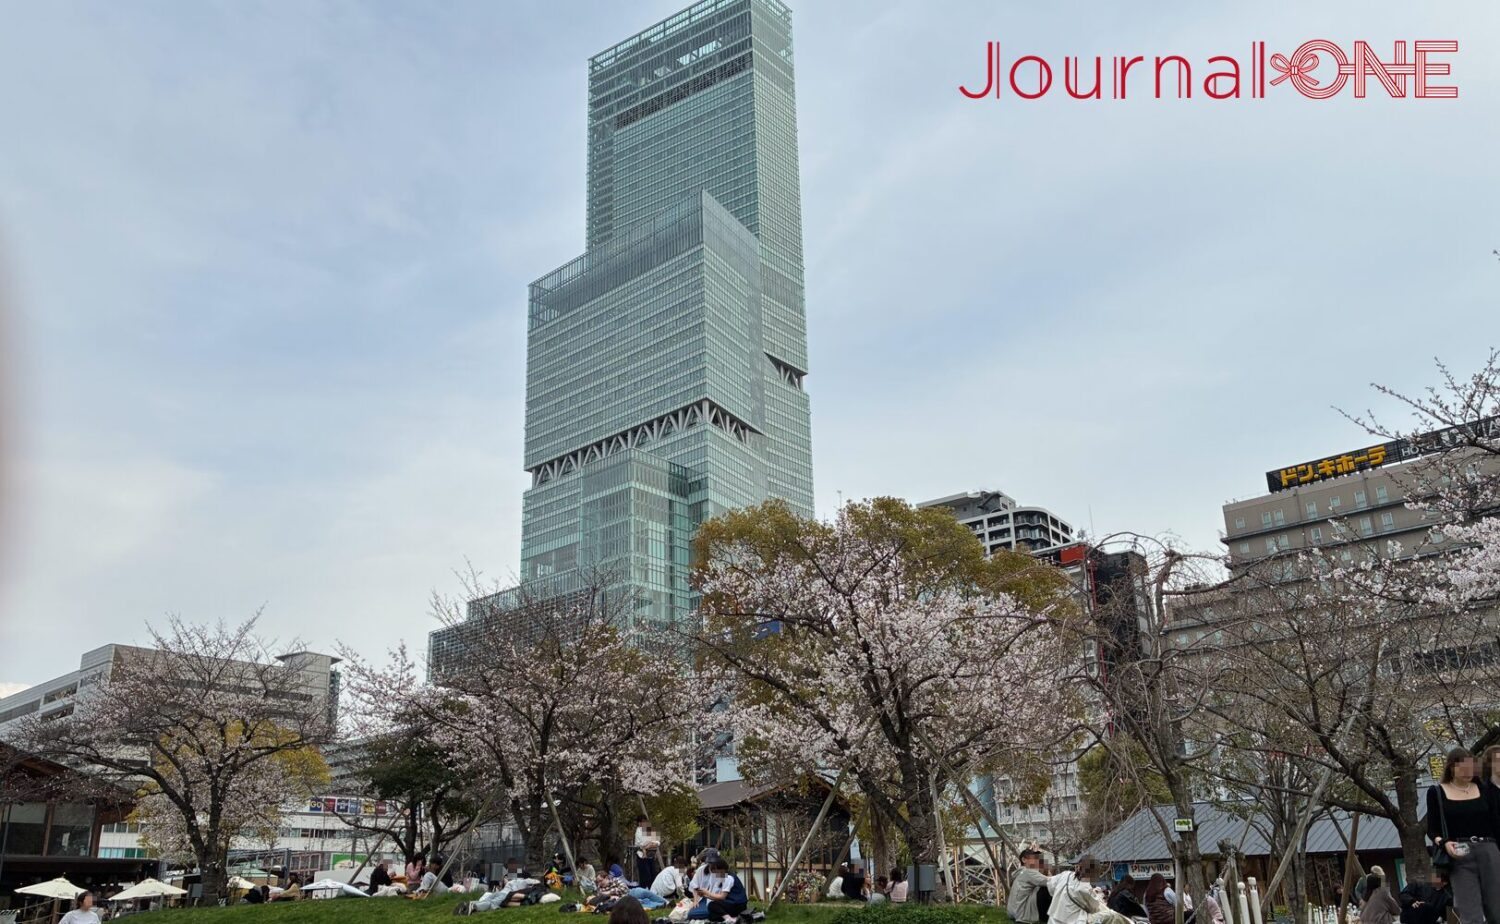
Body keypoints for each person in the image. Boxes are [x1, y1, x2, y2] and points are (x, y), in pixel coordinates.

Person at [1429, 747, 1500, 924]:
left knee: (1497, 909)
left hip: (1489, 849)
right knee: (1470, 913)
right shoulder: (1436, 792)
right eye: (1463, 767)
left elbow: (1496, 824)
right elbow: (1433, 829)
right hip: (1460, 852)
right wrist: (1443, 843)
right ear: (1452, 767)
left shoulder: (1484, 789)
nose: (1469, 772)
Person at [1047, 856, 1131, 924]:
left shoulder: (1065, 875)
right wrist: (1099, 895)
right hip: (1074, 921)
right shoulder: (1085, 887)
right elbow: (1095, 908)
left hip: (1053, 919)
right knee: (1111, 914)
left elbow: (1050, 887)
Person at [1012, 850, 1054, 924]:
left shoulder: (1020, 872)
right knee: (1046, 888)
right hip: (1023, 913)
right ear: (1024, 860)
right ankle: (1048, 917)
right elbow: (1050, 881)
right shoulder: (1028, 872)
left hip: (1014, 911)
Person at [634, 817, 662, 889]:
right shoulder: (638, 830)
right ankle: (644, 891)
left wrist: (652, 843)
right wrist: (647, 845)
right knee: (645, 876)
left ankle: (652, 890)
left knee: (653, 874)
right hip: (642, 855)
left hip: (651, 854)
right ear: (639, 823)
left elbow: (658, 841)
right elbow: (639, 844)